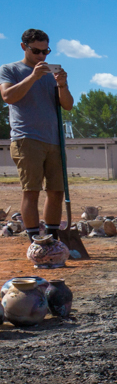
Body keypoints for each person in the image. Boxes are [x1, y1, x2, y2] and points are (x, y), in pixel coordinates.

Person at [0, 28, 74, 239]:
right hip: (27, 138)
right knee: (31, 191)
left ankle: (52, 237)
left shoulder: (52, 74)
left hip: (55, 140)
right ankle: (35, 239)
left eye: (45, 51)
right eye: (36, 51)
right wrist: (33, 77)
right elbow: (8, 96)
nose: (42, 56)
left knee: (56, 191)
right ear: (24, 47)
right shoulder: (9, 69)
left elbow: (67, 105)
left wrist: (62, 85)